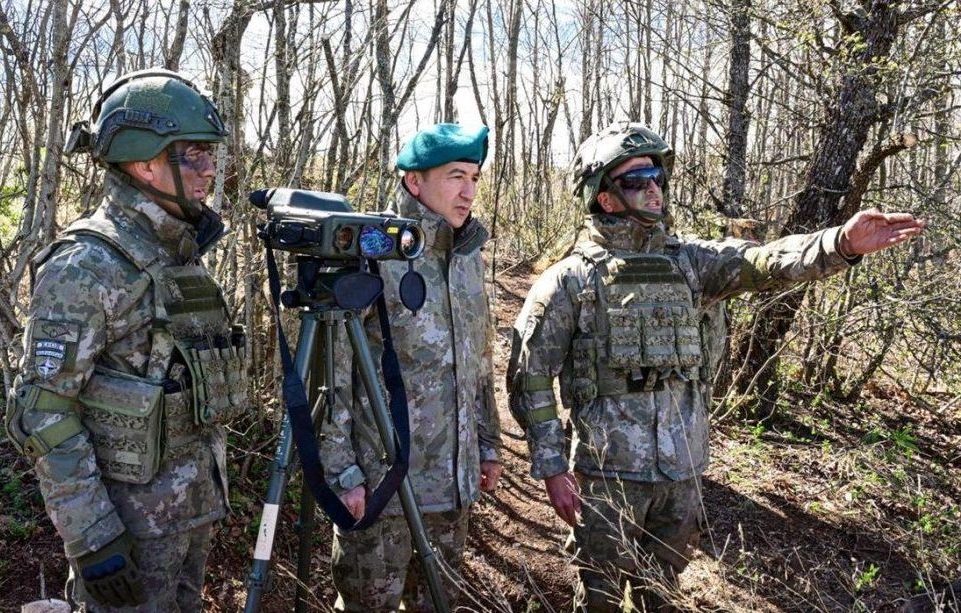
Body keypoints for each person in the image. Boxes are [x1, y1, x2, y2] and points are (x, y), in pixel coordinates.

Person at [506, 122, 924, 612]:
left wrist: (841, 244)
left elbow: (766, 261)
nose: (654, 186)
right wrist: (553, 467)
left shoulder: (693, 264)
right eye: (637, 179)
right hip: (607, 476)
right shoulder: (569, 281)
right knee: (597, 595)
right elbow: (529, 377)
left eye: (657, 175)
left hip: (682, 474)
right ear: (605, 197)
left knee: (660, 596)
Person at [5, 69, 246, 611]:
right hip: (126, 534)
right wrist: (92, 538)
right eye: (192, 156)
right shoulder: (87, 265)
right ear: (143, 163)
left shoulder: (180, 254)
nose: (209, 170)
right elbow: (42, 411)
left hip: (190, 517)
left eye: (209, 155)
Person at [320, 123, 503, 612]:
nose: (468, 191)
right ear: (413, 181)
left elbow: (477, 361)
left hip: (452, 487)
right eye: (455, 176)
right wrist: (343, 474)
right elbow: (331, 371)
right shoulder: (372, 250)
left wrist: (487, 445)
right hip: (384, 490)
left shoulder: (466, 257)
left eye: (475, 178)